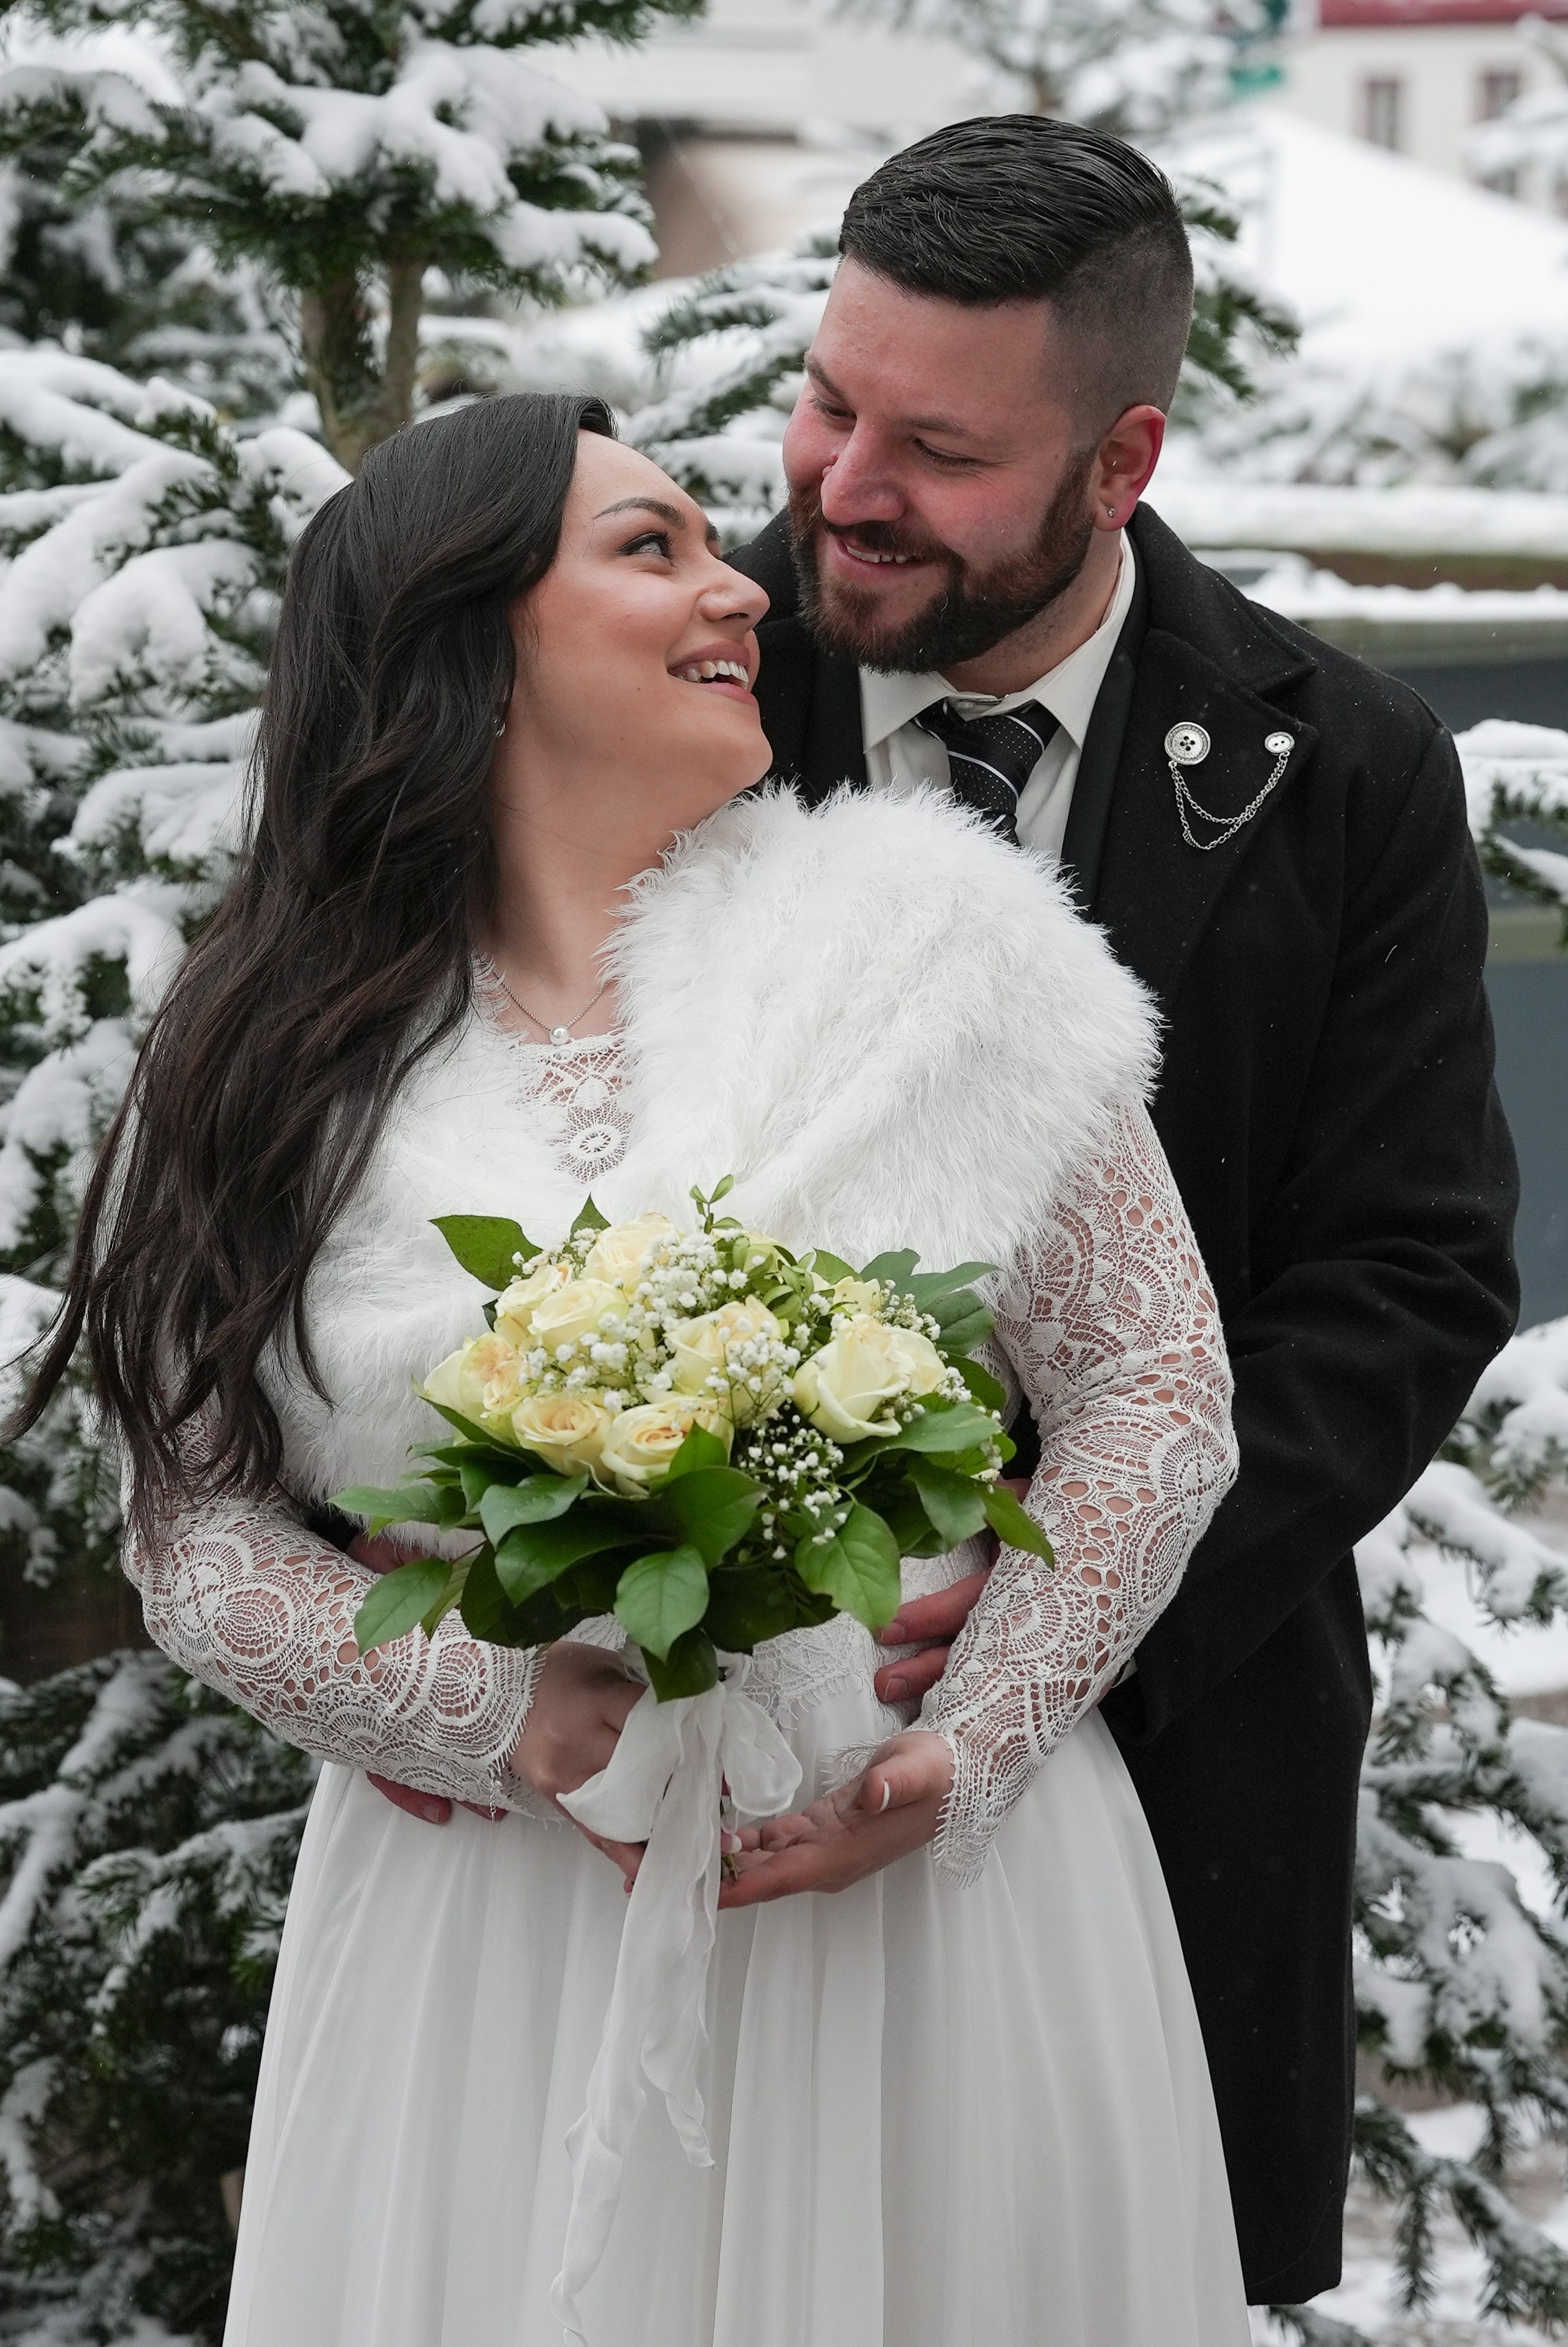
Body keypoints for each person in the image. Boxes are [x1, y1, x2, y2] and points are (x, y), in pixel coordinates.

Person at [20, 392, 1249, 2344]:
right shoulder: (268, 1055)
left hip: (917, 1898)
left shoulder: (937, 949)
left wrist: (968, 1739)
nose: (735, 591)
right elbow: (193, 1525)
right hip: (502, 1930)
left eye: (710, 541)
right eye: (649, 547)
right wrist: (485, 1702)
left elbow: (1151, 1387)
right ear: (465, 628)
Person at [717, 115, 1519, 2306]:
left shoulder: (1336, 760)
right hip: (691, 1753)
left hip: (1169, 1744)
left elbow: (1407, 1269)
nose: (838, 487)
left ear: (1117, 459)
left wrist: (1066, 1591)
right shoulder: (667, 679)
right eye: (826, 399)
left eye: (935, 449)